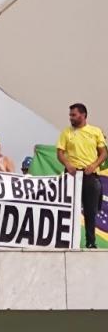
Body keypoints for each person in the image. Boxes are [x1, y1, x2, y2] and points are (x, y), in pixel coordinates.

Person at [56, 103, 107, 249]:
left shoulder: (95, 131)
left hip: (89, 174)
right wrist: (67, 164)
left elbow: (103, 153)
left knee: (91, 210)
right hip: (72, 174)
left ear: (83, 115)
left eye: (74, 115)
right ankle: (67, 241)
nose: (71, 118)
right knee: (68, 208)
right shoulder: (66, 132)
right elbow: (60, 153)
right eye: (70, 115)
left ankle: (90, 241)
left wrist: (94, 165)